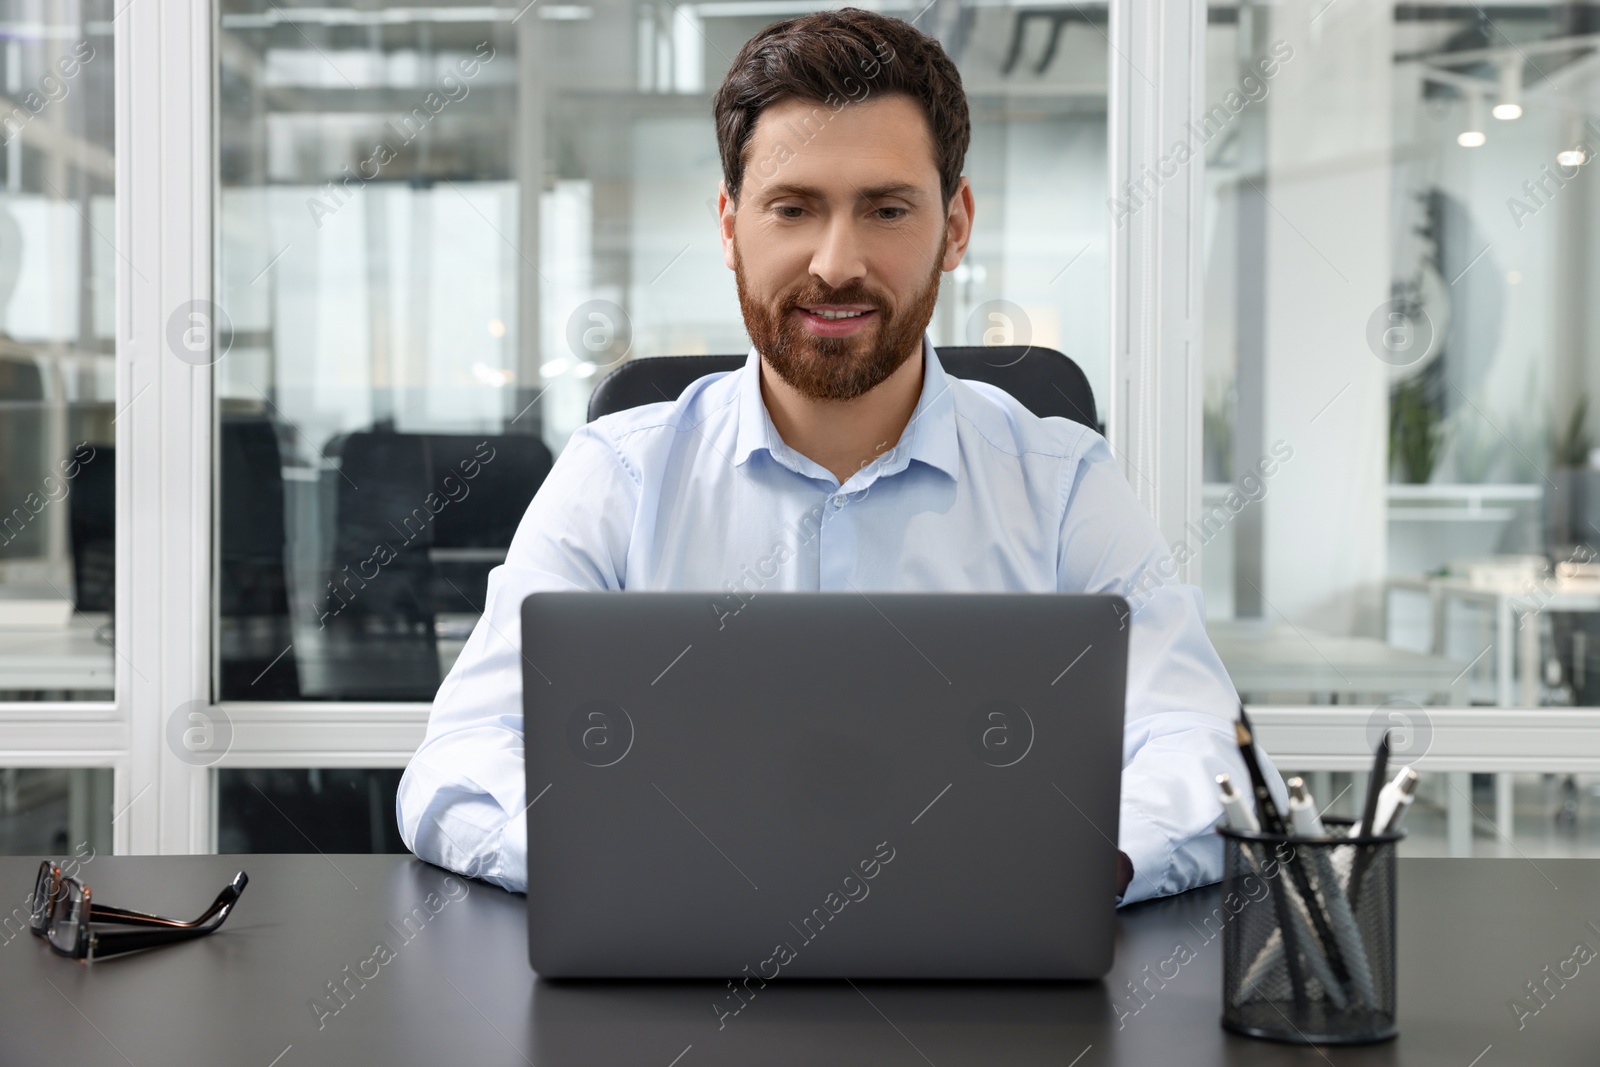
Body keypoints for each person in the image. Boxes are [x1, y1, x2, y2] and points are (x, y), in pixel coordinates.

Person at [398, 7, 1272, 905]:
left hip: (984, 994)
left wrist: (1060, 866)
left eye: (886, 209)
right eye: (794, 207)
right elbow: (462, 760)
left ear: (956, 224)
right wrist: (642, 863)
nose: (837, 261)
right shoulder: (617, 476)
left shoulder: (1061, 483)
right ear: (732, 224)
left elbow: (1208, 753)